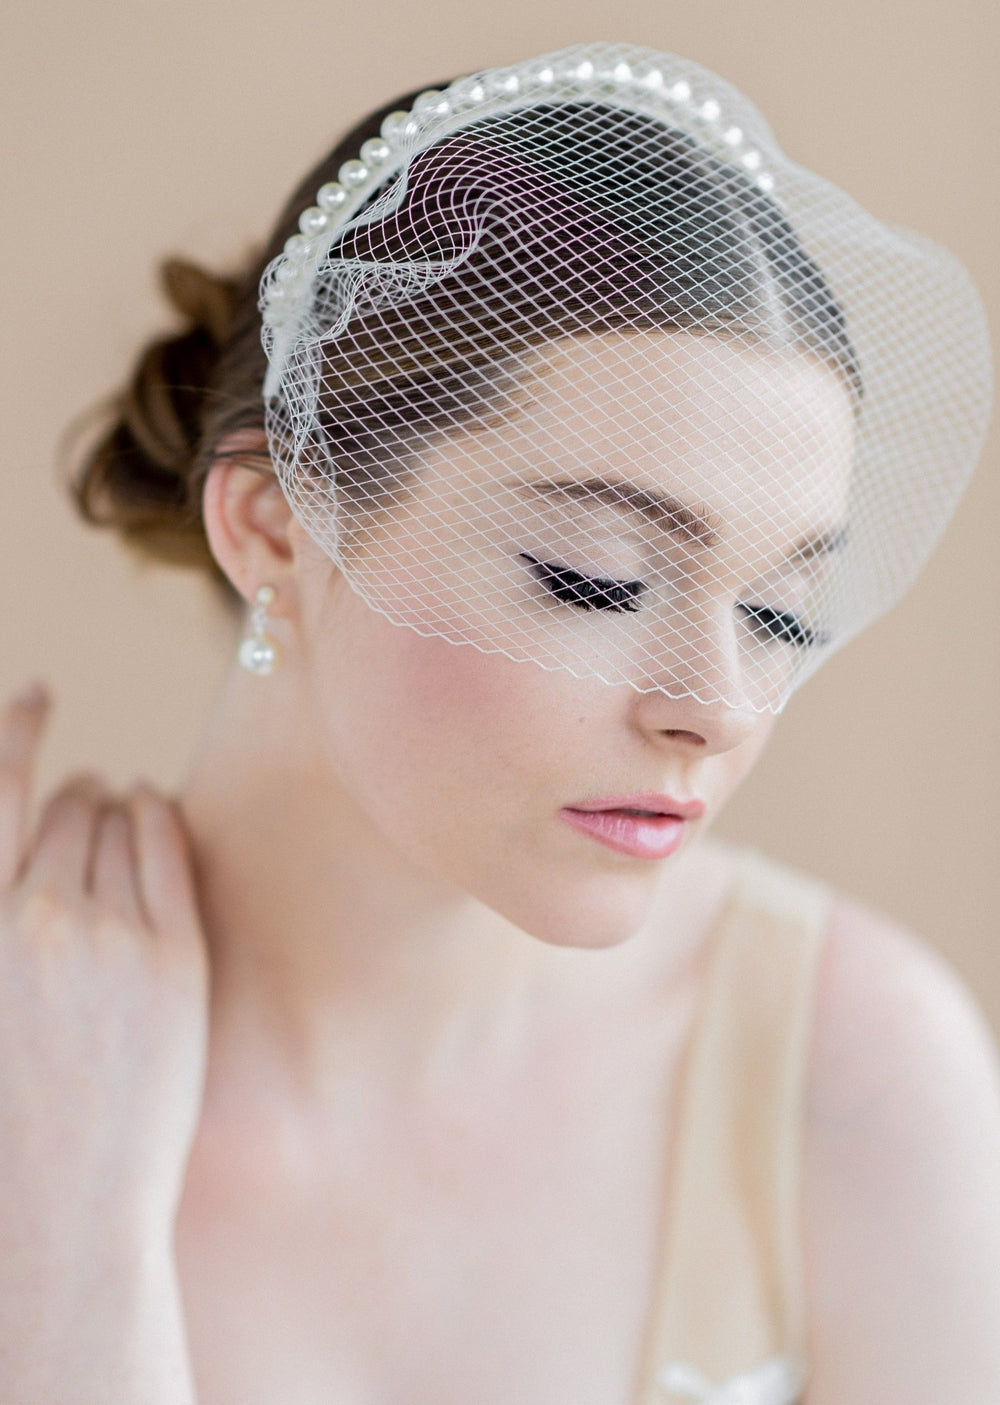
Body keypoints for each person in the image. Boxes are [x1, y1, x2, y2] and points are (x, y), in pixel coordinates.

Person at [2, 41, 998, 1405]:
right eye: (599, 576)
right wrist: (66, 1214)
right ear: (274, 521)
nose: (714, 709)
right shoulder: (26, 1059)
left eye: (781, 614)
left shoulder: (854, 1075)